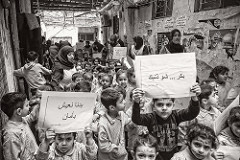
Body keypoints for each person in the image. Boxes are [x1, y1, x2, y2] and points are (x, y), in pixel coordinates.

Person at [131, 84, 201, 160]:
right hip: (155, 155)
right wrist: (136, 102)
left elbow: (192, 113)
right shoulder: (151, 117)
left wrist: (194, 98)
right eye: (160, 105)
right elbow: (136, 119)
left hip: (173, 154)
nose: (164, 108)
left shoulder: (176, 115)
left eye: (168, 105)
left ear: (173, 105)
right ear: (153, 106)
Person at [1, 92, 41, 160]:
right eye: (27, 105)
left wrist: (39, 105)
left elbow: (31, 117)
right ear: (19, 111)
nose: (29, 107)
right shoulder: (11, 135)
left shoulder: (20, 120)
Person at [98, 88, 130, 160]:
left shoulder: (121, 114)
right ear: (112, 107)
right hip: (108, 158)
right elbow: (103, 145)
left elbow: (128, 123)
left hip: (121, 157)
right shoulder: (103, 123)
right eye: (121, 102)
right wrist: (118, 150)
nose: (124, 102)